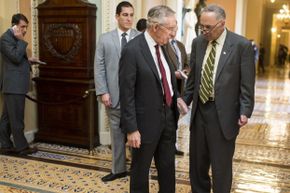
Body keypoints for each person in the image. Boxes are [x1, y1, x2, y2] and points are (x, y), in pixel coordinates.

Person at [181, 4, 255, 193]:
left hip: (224, 115)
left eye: (208, 27)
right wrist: (184, 101)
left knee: (221, 168)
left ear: (222, 23)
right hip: (199, 113)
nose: (204, 30)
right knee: (197, 165)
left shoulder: (241, 45)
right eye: (201, 26)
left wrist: (245, 110)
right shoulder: (198, 43)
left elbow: (247, 83)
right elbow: (193, 79)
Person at [119, 5, 187, 193]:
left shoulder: (163, 46)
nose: (173, 34)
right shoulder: (133, 50)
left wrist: (177, 97)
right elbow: (126, 92)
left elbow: (166, 78)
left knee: (167, 168)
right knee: (140, 171)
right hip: (144, 124)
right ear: (155, 27)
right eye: (171, 28)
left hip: (168, 119)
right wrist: (131, 129)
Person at [94, 1, 139, 182]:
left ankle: (137, 169)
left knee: (136, 135)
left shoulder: (140, 37)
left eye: (131, 15)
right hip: (113, 96)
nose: (128, 18)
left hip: (136, 97)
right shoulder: (105, 39)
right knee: (116, 134)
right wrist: (103, 91)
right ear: (117, 16)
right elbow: (99, 67)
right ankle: (118, 169)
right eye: (125, 15)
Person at [0, 13, 38, 155]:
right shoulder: (5, 38)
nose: (25, 30)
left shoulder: (12, 38)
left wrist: (28, 60)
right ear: (14, 25)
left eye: (26, 27)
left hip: (15, 85)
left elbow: (15, 59)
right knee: (17, 119)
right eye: (22, 27)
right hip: (13, 85)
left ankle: (5, 144)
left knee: (7, 118)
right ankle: (22, 147)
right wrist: (21, 40)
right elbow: (15, 57)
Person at [164, 25, 189, 156]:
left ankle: (173, 146)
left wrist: (185, 70)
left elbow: (186, 63)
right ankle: (167, 146)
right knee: (168, 119)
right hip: (169, 86)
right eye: (171, 29)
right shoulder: (162, 45)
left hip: (181, 86)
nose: (173, 32)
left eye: (175, 29)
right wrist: (175, 74)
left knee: (176, 118)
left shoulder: (180, 45)